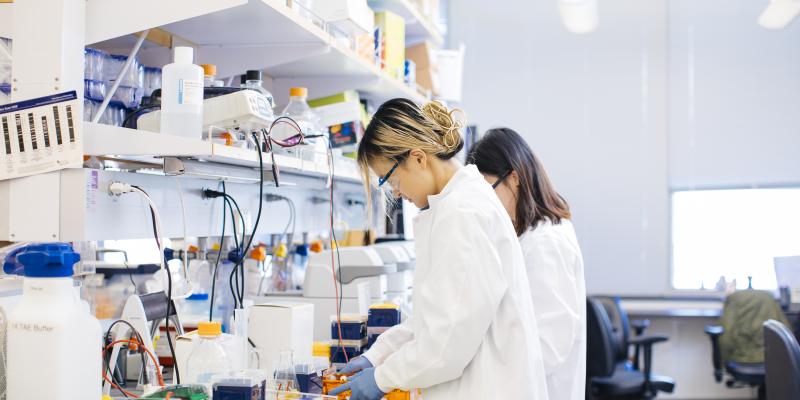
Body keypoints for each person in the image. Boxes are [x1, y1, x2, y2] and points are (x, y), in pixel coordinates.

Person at [330, 100, 549, 400]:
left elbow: (445, 345)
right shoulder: (459, 204)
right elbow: (434, 319)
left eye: (391, 179)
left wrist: (382, 378)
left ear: (418, 158)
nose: (395, 191)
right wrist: (378, 355)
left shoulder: (463, 212)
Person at [467, 127, 586, 400]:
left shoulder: (546, 243)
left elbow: (549, 347)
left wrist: (482, 372)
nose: (485, 204)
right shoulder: (532, 236)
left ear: (515, 178)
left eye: (488, 191)